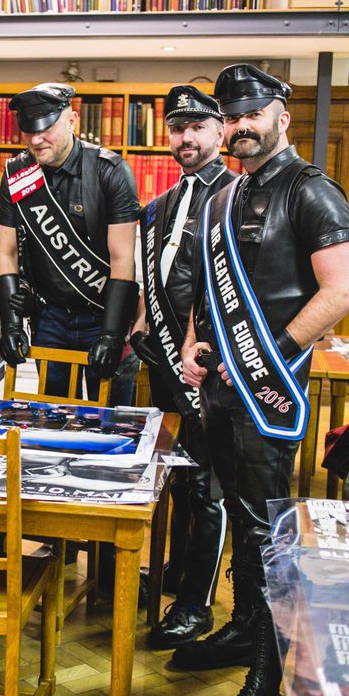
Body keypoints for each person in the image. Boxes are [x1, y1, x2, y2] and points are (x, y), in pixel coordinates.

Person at [175, 64, 349, 696]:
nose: (240, 126)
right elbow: (203, 287)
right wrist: (195, 345)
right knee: (238, 519)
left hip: (269, 394)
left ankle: (269, 680)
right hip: (221, 391)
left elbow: (340, 291)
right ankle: (248, 628)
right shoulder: (223, 195)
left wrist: (271, 358)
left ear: (283, 113)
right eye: (231, 115)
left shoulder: (312, 192)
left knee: (269, 531)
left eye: (252, 113)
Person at [130, 85, 233, 651]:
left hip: (211, 366)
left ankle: (196, 602)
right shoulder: (165, 202)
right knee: (174, 472)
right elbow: (157, 276)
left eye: (197, 126)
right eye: (177, 127)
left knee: (205, 487)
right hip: (165, 363)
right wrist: (141, 321)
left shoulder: (238, 195)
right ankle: (174, 570)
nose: (186, 138)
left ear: (220, 130)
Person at [0, 82, 140, 401]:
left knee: (111, 420)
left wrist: (114, 334)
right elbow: (5, 254)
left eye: (46, 128)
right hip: (50, 316)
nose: (36, 139)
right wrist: (11, 324)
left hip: (104, 311)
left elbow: (123, 260)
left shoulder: (110, 171)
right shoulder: (17, 173)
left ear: (72, 120)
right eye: (29, 131)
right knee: (53, 419)